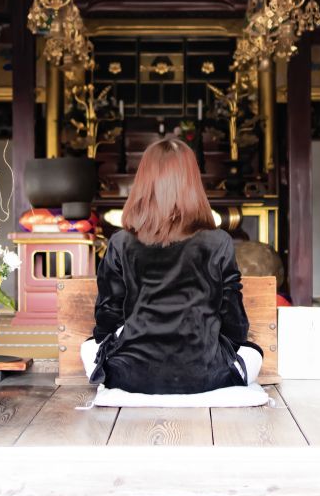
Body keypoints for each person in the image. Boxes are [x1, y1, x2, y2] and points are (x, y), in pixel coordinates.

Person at [81, 137, 263, 394]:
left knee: (88, 348)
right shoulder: (218, 240)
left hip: (131, 375)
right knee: (253, 353)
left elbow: (107, 318)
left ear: (143, 182)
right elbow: (235, 324)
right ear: (192, 183)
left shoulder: (121, 241)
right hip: (204, 375)